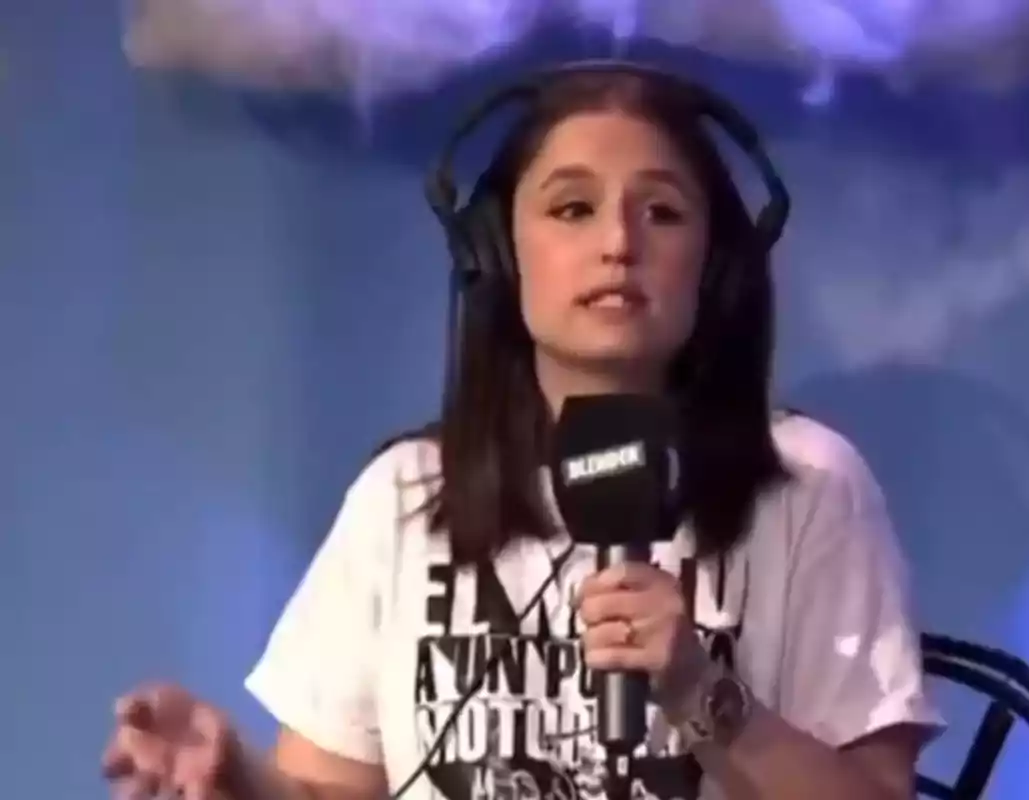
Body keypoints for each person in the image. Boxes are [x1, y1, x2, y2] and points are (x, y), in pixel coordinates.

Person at [102, 64, 942, 800]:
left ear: (717, 268)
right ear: (499, 255)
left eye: (662, 212)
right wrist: (234, 781)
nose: (618, 243)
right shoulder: (403, 494)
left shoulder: (809, 485)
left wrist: (698, 691)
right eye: (573, 208)